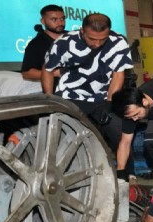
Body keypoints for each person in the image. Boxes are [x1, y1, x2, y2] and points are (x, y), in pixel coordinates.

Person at [42, 13, 135, 175]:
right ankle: (59, 176)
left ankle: (126, 178)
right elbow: (48, 70)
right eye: (92, 39)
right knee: (64, 140)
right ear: (82, 31)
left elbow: (118, 75)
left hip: (103, 98)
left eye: (102, 39)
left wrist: (109, 103)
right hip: (71, 97)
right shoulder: (64, 43)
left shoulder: (118, 42)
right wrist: (50, 99)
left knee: (122, 136)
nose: (97, 44)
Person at [21, 4, 65, 84]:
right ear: (43, 21)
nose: (60, 23)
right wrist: (56, 73)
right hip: (58, 93)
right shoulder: (36, 44)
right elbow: (27, 74)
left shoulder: (74, 37)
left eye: (62, 18)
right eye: (54, 19)